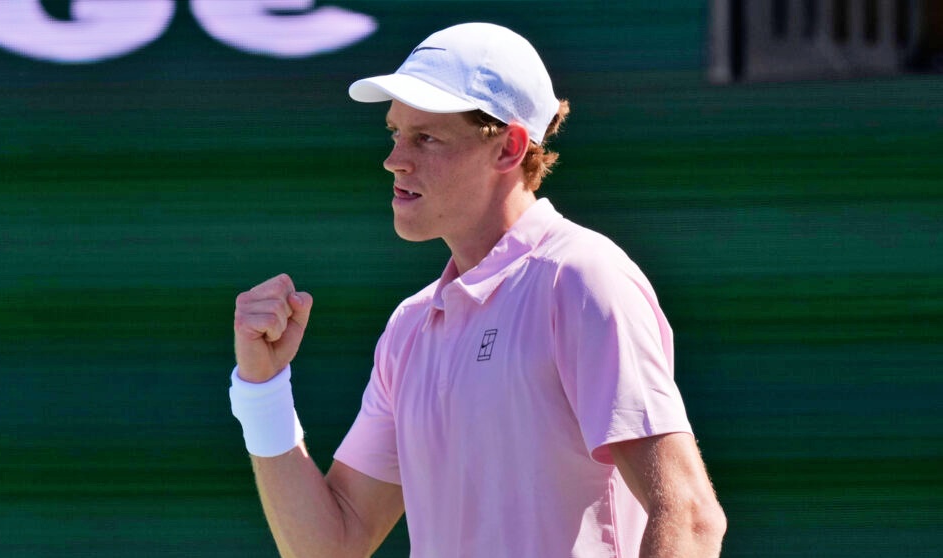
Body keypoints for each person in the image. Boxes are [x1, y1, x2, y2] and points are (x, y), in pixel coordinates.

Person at [229, 22, 726, 558]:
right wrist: (263, 388)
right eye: (394, 133)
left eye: (426, 137)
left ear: (510, 148)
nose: (394, 159)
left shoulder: (580, 278)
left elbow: (690, 516)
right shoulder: (409, 328)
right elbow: (332, 545)